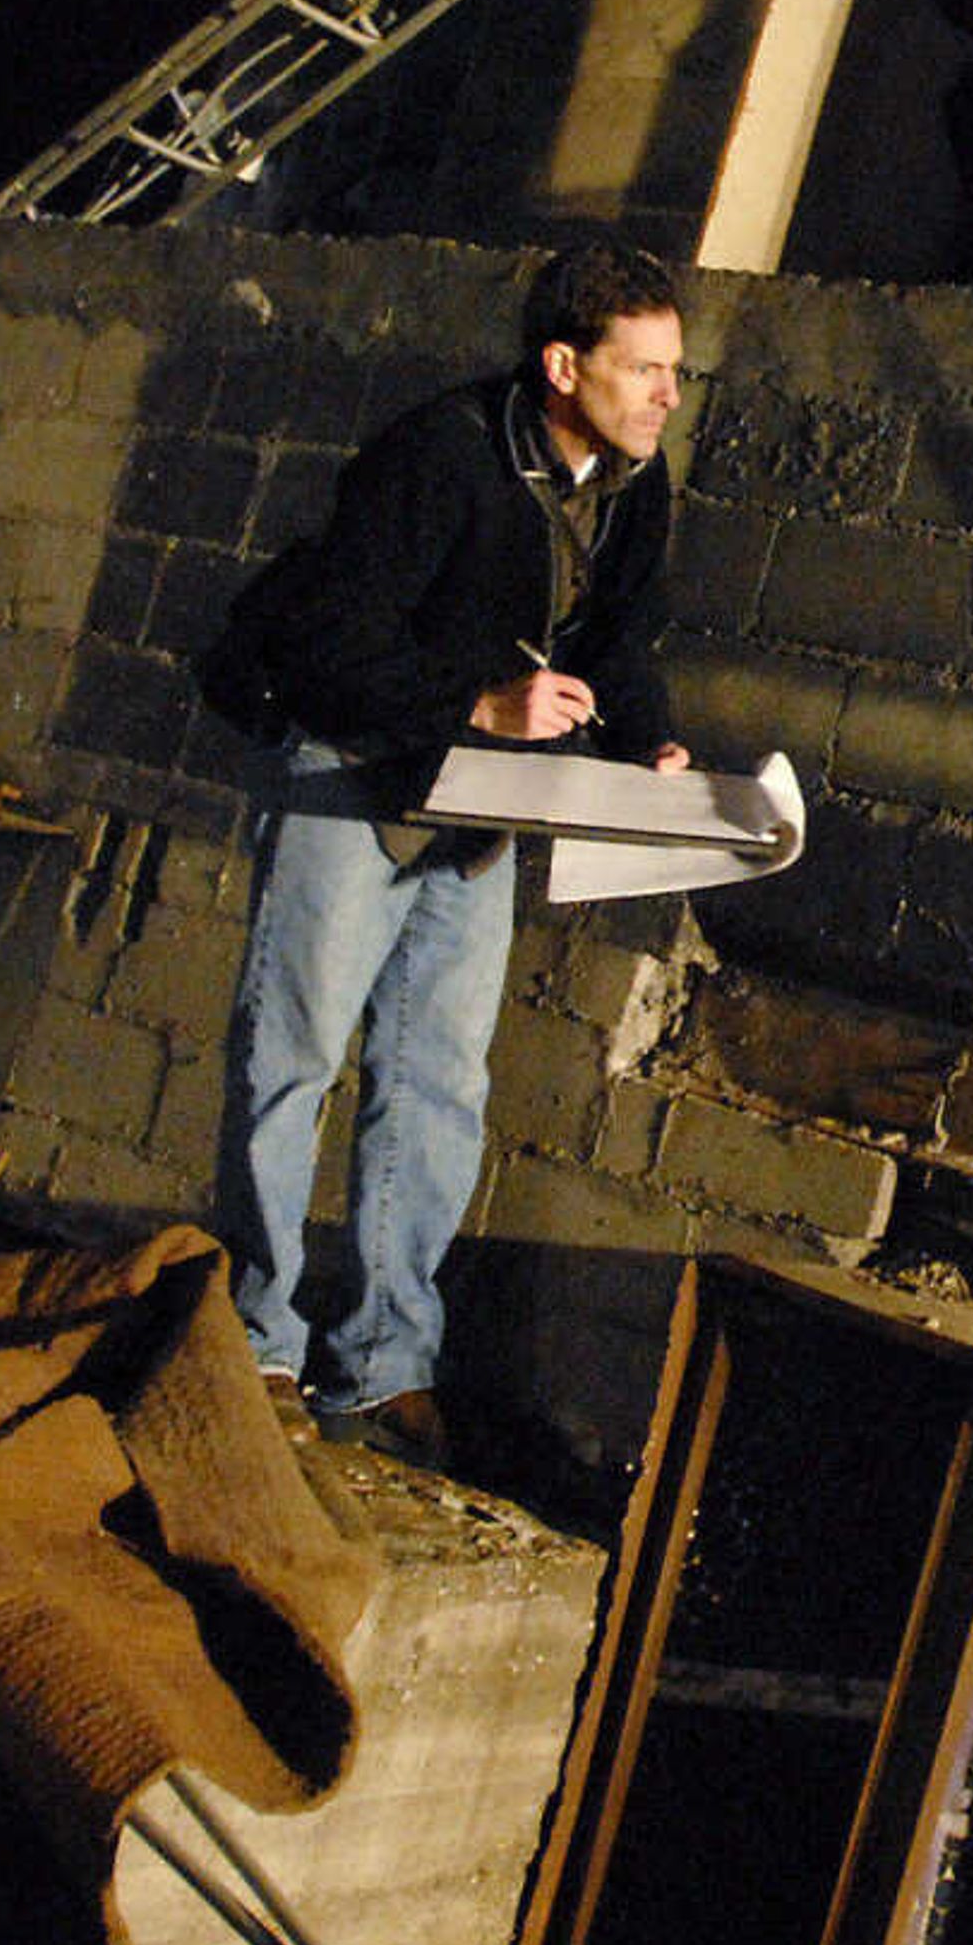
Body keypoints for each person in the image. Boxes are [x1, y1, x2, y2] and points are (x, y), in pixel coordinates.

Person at [197, 240, 693, 1466]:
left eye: (676, 371)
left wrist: (655, 742)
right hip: (354, 767)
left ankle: (378, 1364)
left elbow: (613, 644)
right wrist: (478, 704)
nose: (666, 395)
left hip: (474, 801)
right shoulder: (439, 456)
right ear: (563, 364)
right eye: (644, 370)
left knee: (436, 1080)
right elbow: (322, 641)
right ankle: (254, 1339)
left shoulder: (636, 482)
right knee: (294, 1054)